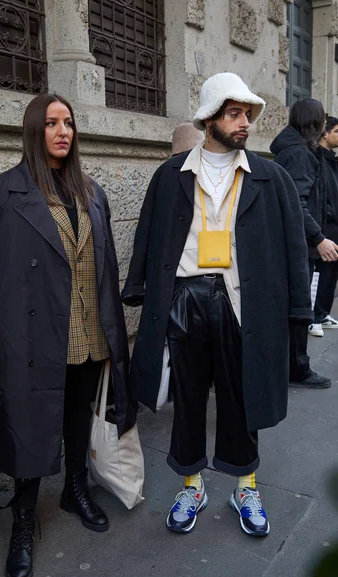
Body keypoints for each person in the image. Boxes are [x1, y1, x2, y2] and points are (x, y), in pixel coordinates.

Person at [122, 73, 312, 538]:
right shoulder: (171, 175)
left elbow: (293, 247)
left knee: (242, 397)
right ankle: (192, 484)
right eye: (234, 114)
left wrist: (298, 314)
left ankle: (245, 485)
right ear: (210, 119)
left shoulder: (271, 177)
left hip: (242, 301)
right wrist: (141, 292)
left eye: (247, 113)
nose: (244, 121)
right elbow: (147, 236)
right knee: (187, 399)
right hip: (185, 298)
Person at [0, 93, 136, 577]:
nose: (63, 131)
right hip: (33, 334)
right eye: (51, 124)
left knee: (78, 414)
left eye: (69, 123)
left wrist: (113, 331)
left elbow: (104, 267)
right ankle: (23, 518)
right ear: (33, 131)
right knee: (30, 425)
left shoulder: (93, 192)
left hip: (87, 329)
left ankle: (75, 490)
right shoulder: (5, 192)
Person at [271, 99, 337, 388]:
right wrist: (319, 238)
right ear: (315, 121)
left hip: (295, 243)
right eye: (323, 118)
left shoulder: (298, 150)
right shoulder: (299, 153)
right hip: (298, 245)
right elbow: (298, 203)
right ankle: (297, 368)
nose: (326, 123)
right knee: (300, 308)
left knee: (297, 308)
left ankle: (292, 366)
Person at [308, 116, 338, 336]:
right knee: (319, 271)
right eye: (336, 131)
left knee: (331, 272)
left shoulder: (331, 159)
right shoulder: (315, 158)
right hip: (323, 225)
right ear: (325, 133)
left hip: (334, 224)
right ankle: (312, 317)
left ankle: (322, 313)